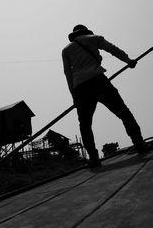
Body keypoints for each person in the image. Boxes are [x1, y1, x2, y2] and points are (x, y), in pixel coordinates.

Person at [62, 24, 147, 167]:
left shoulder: (66, 50)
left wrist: (74, 96)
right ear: (86, 31)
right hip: (99, 82)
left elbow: (67, 73)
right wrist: (128, 61)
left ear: (74, 35)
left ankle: (94, 159)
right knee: (123, 112)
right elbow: (113, 50)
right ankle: (139, 144)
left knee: (85, 125)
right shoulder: (94, 38)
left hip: (81, 89)